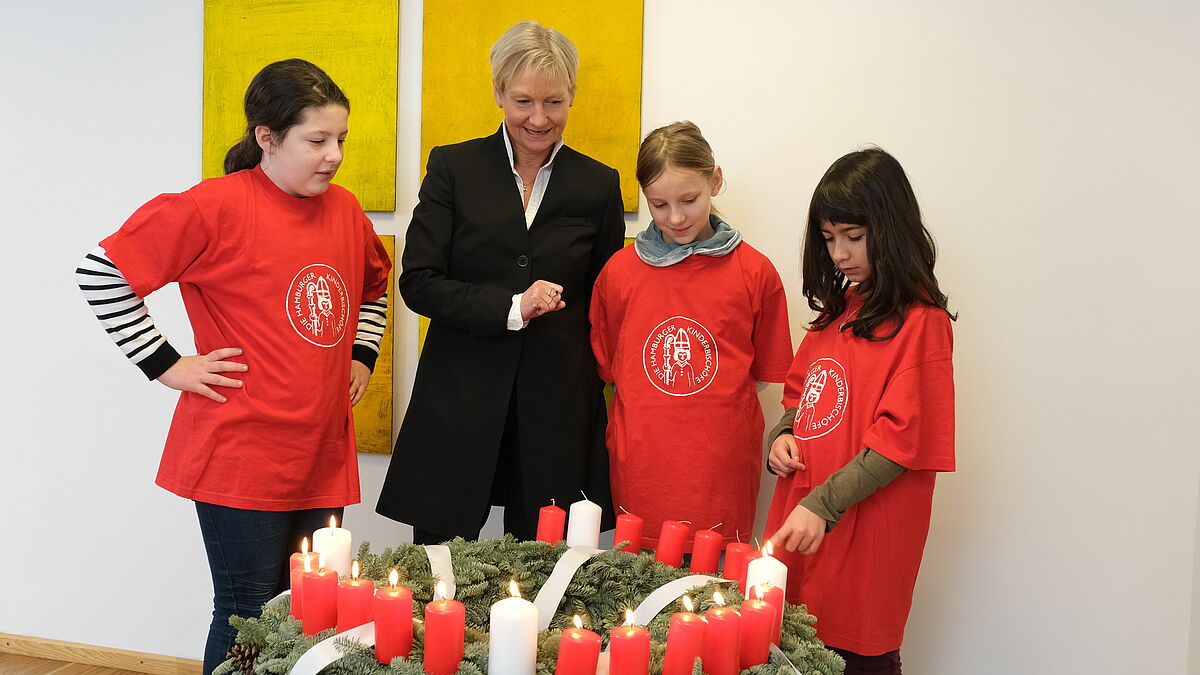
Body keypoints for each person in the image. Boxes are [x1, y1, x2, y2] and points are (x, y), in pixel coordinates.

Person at [75, 59, 392, 674]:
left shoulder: (345, 209)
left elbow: (373, 288)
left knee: (310, 606)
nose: (333, 156)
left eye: (341, 141)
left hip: (321, 448)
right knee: (249, 606)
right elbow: (100, 271)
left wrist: (361, 352)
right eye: (317, 141)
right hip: (242, 449)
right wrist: (168, 364)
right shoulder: (213, 207)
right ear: (266, 138)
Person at [377, 21, 624, 543]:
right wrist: (511, 307)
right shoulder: (452, 167)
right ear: (498, 94)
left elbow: (606, 298)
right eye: (523, 102)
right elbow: (419, 282)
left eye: (554, 103)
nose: (539, 119)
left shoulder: (599, 184)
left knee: (546, 572)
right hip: (461, 393)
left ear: (572, 97)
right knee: (439, 572)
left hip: (559, 402)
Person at [764, 148, 955, 674]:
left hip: (863, 538)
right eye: (828, 239)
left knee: (854, 655)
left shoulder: (923, 323)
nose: (840, 254)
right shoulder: (837, 312)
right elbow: (801, 396)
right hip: (807, 522)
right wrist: (783, 435)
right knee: (794, 647)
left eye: (853, 236)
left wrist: (823, 505)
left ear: (890, 229)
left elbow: (902, 444)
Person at [589, 121, 793, 551]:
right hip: (643, 469)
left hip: (721, 473)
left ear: (715, 180)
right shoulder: (618, 274)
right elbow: (612, 368)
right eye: (659, 205)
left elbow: (761, 373)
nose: (676, 218)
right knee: (635, 594)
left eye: (689, 200)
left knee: (717, 595)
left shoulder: (754, 272)